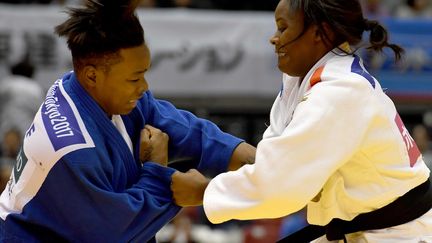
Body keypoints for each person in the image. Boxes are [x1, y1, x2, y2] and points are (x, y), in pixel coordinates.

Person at [171, 0, 432, 242]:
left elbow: (279, 186)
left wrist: (204, 192)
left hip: (399, 233)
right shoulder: (303, 80)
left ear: (320, 32)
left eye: (283, 28)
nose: (274, 39)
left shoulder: (340, 91)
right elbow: (277, 156)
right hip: (365, 228)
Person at [0, 0, 255, 242]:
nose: (143, 87)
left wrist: (257, 159)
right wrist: (161, 176)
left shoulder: (95, 90)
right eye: (134, 79)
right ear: (92, 76)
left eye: (143, 75)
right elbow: (115, 234)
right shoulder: (71, 149)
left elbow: (185, 130)